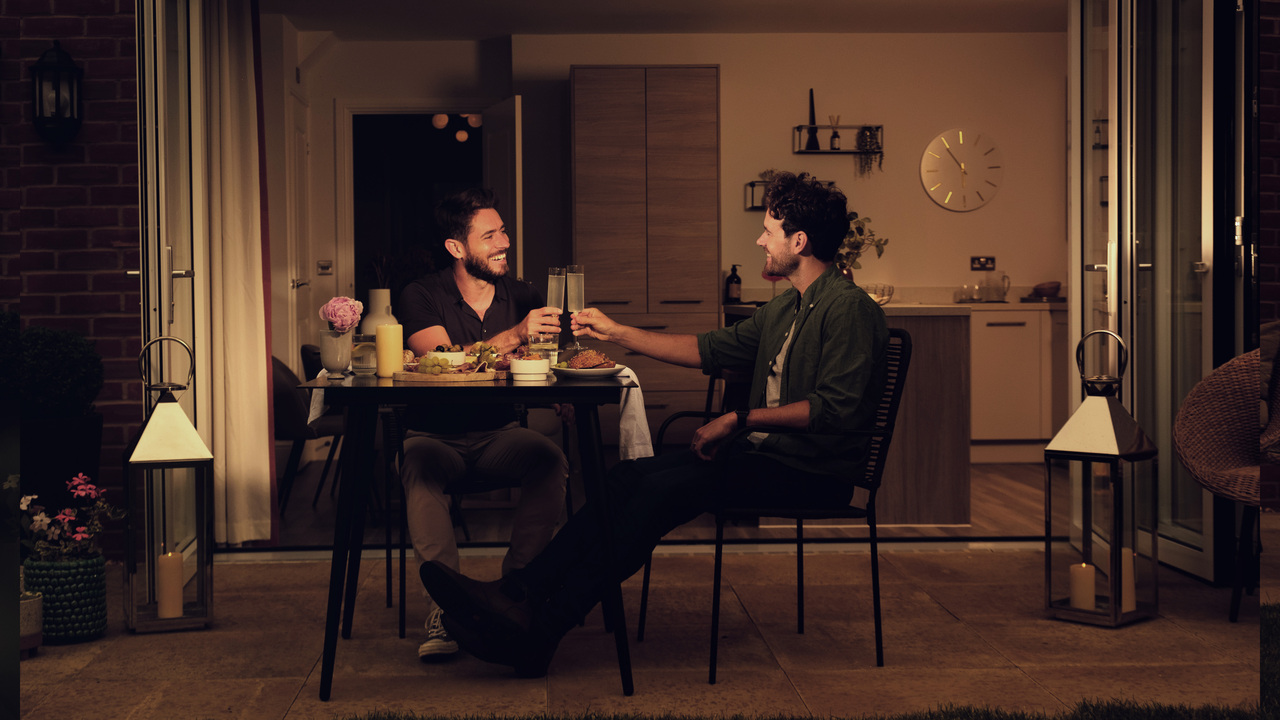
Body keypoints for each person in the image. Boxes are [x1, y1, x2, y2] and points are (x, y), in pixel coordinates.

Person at [418, 172, 889, 677]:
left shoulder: (849, 310)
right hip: (763, 455)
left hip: (810, 470)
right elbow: (705, 349)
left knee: (654, 495)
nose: (759, 239)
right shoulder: (784, 308)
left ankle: (541, 626)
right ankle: (516, 594)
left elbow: (833, 409)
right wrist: (617, 332)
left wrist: (740, 418)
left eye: (768, 230)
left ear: (799, 242)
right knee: (628, 477)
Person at [397, 187, 569, 662]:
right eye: (489, 235)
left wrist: (560, 390)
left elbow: (544, 364)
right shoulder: (421, 294)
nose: (504, 242)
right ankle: (444, 608)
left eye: (504, 231)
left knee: (549, 459)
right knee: (418, 463)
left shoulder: (525, 295)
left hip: (500, 435)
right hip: (435, 435)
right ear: (456, 247)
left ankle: (516, 591)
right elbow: (444, 363)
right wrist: (515, 336)